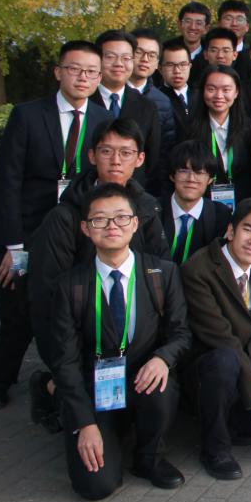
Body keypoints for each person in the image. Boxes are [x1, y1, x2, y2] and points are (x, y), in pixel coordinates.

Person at [0, 40, 113, 410]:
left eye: (91, 72)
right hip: (24, 229)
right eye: (74, 69)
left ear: (99, 78)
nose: (82, 77)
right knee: (17, 311)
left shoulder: (102, 120)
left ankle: (61, 382)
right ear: (58, 72)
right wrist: (13, 246)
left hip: (71, 232)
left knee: (65, 309)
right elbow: (7, 182)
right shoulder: (27, 115)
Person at [48, 183, 190, 499]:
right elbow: (65, 361)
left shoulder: (162, 274)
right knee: (95, 487)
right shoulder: (70, 285)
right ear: (86, 228)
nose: (112, 226)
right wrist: (84, 424)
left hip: (142, 379)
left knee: (161, 388)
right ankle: (66, 407)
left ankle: (149, 457)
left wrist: (162, 358)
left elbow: (181, 333)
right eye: (100, 219)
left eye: (121, 217)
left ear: (135, 223)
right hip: (96, 386)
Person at [26, 119, 169, 430]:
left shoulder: (147, 209)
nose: (116, 161)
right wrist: (59, 363)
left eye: (126, 152)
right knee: (96, 436)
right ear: (91, 155)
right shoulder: (66, 216)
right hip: (85, 338)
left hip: (133, 335)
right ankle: (50, 386)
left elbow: (162, 274)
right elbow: (45, 294)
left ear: (140, 159)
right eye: (106, 151)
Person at [181, 198, 251, 481]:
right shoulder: (198, 270)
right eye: (248, 230)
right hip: (205, 370)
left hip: (242, 369)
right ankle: (215, 449)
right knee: (224, 360)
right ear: (230, 230)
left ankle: (242, 423)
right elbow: (223, 340)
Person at [96, 30, 163, 193]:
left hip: (131, 194)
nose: (119, 64)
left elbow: (152, 159)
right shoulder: (83, 101)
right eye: (110, 57)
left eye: (126, 58)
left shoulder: (147, 107)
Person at [182, 66, 251, 208]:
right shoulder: (189, 129)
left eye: (226, 90)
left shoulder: (250, 127)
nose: (218, 95)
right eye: (211, 89)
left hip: (243, 205)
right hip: (203, 205)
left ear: (236, 92)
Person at [162, 141, 232, 265]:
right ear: (172, 175)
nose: (191, 179)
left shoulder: (221, 215)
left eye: (199, 172)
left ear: (210, 179)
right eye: (184, 171)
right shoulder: (153, 210)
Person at [130, 29, 177, 158]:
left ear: (157, 63)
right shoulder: (113, 93)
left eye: (152, 55)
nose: (145, 59)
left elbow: (165, 147)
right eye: (139, 52)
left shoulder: (163, 101)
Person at [158, 38, 197, 133]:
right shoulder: (156, 99)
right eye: (170, 65)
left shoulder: (201, 95)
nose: (177, 71)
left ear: (190, 67)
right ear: (160, 69)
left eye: (182, 65)